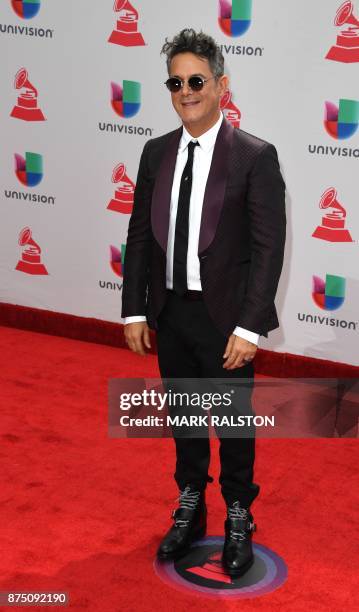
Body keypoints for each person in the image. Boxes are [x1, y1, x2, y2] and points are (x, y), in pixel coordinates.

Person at [122, 29, 286, 576]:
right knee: (186, 418)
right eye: (176, 82)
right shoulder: (155, 152)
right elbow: (140, 236)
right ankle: (191, 503)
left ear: (221, 85)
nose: (185, 90)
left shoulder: (253, 157)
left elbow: (268, 248)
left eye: (196, 80)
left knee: (233, 423)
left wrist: (250, 326)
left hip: (227, 319)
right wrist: (135, 309)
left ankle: (239, 509)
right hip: (171, 313)